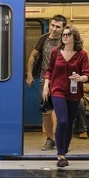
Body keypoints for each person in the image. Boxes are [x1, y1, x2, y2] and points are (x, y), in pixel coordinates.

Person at [43, 25, 89, 167]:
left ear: (74, 37)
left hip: (75, 93)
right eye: (63, 34)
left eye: (68, 34)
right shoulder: (56, 52)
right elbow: (49, 70)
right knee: (62, 121)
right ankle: (60, 154)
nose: (65, 36)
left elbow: (87, 75)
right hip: (57, 91)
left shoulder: (82, 54)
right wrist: (46, 86)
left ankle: (64, 152)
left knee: (69, 124)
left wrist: (80, 78)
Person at [26, 15, 68, 151]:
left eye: (57, 27)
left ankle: (63, 140)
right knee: (46, 111)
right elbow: (33, 56)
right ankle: (51, 139)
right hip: (45, 81)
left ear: (63, 29)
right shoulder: (44, 39)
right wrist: (30, 75)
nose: (54, 29)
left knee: (64, 112)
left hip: (62, 82)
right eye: (52, 25)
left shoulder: (66, 40)